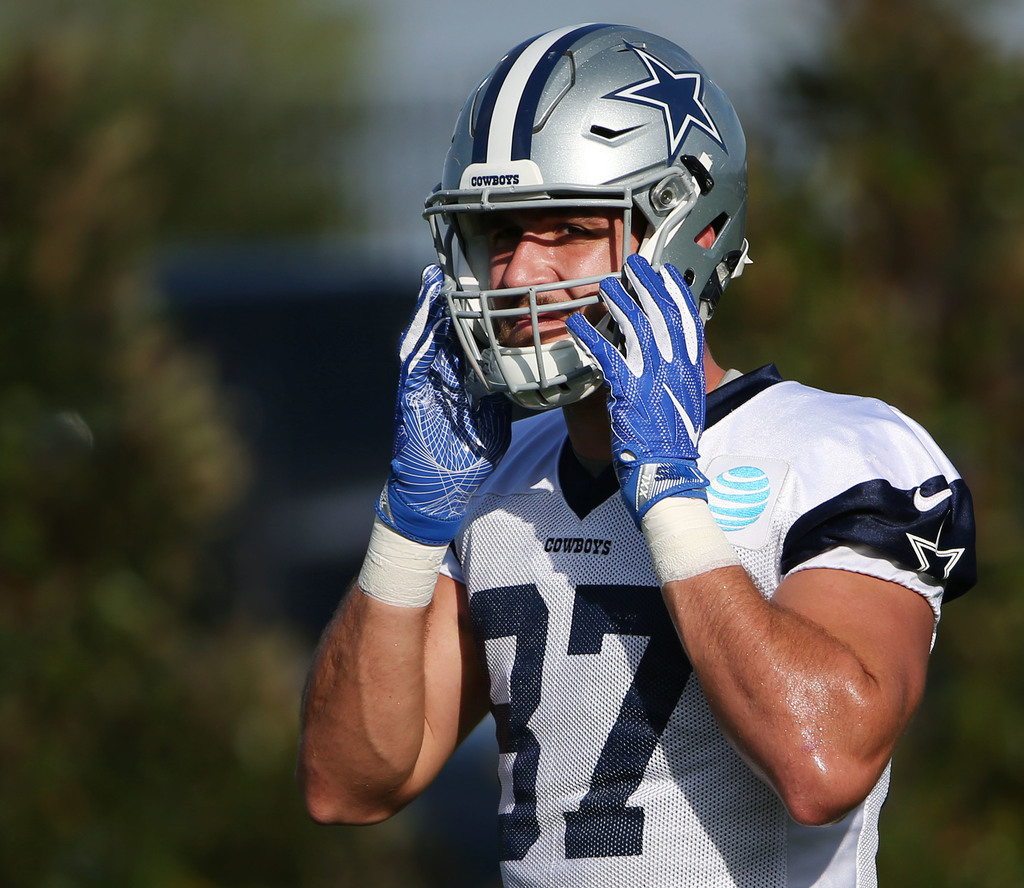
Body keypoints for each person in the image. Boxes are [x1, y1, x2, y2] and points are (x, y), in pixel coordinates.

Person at [298, 23, 976, 888]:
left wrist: (668, 495)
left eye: (566, 229)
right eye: (498, 234)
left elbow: (825, 767)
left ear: (686, 227)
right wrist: (404, 528)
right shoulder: (492, 470)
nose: (514, 275)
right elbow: (348, 784)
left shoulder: (836, 454)